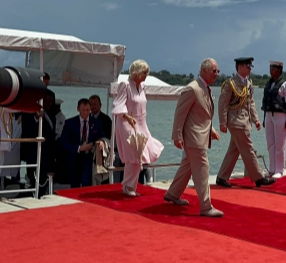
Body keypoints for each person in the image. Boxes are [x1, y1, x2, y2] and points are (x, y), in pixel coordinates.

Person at [164, 58, 223, 217]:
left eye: (218, 71)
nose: (217, 74)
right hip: (193, 139)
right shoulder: (192, 88)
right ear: (204, 70)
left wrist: (211, 130)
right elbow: (180, 114)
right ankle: (206, 207)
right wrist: (177, 136)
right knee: (203, 170)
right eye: (214, 71)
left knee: (187, 167)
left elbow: (203, 115)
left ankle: (173, 194)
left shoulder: (207, 89)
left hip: (200, 137)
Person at [216, 57, 276, 188]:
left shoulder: (248, 83)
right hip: (235, 121)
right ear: (240, 67)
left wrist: (256, 120)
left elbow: (251, 104)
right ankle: (259, 177)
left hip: (245, 121)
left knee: (234, 150)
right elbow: (223, 104)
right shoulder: (230, 83)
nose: (249, 69)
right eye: (248, 66)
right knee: (248, 148)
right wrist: (222, 123)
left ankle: (221, 177)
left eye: (250, 67)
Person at [111, 59, 164, 197]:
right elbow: (118, 104)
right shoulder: (125, 85)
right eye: (144, 72)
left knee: (143, 154)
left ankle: (130, 186)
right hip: (126, 122)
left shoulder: (142, 87)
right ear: (136, 72)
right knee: (134, 155)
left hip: (140, 123)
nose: (146, 75)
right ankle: (128, 186)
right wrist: (127, 117)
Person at [60, 98, 105, 188]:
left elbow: (102, 137)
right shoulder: (70, 123)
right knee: (74, 184)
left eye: (88, 110)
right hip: (75, 158)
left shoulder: (96, 123)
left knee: (87, 182)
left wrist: (101, 142)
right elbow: (63, 143)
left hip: (89, 158)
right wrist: (79, 148)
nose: (85, 113)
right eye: (83, 110)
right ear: (78, 109)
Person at [20, 90, 56, 198]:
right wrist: (36, 118)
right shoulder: (29, 113)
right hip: (33, 153)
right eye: (47, 102)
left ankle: (41, 194)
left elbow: (51, 131)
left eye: (51, 102)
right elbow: (26, 130)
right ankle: (32, 195)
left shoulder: (51, 114)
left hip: (47, 153)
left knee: (43, 178)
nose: (49, 105)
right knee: (32, 177)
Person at [261, 60, 286, 179]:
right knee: (270, 143)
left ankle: (279, 169)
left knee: (280, 144)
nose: (271, 71)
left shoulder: (285, 85)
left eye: (273, 69)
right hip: (269, 115)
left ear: (279, 70)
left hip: (280, 116)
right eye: (270, 68)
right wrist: (264, 119)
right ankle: (272, 169)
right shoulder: (268, 84)